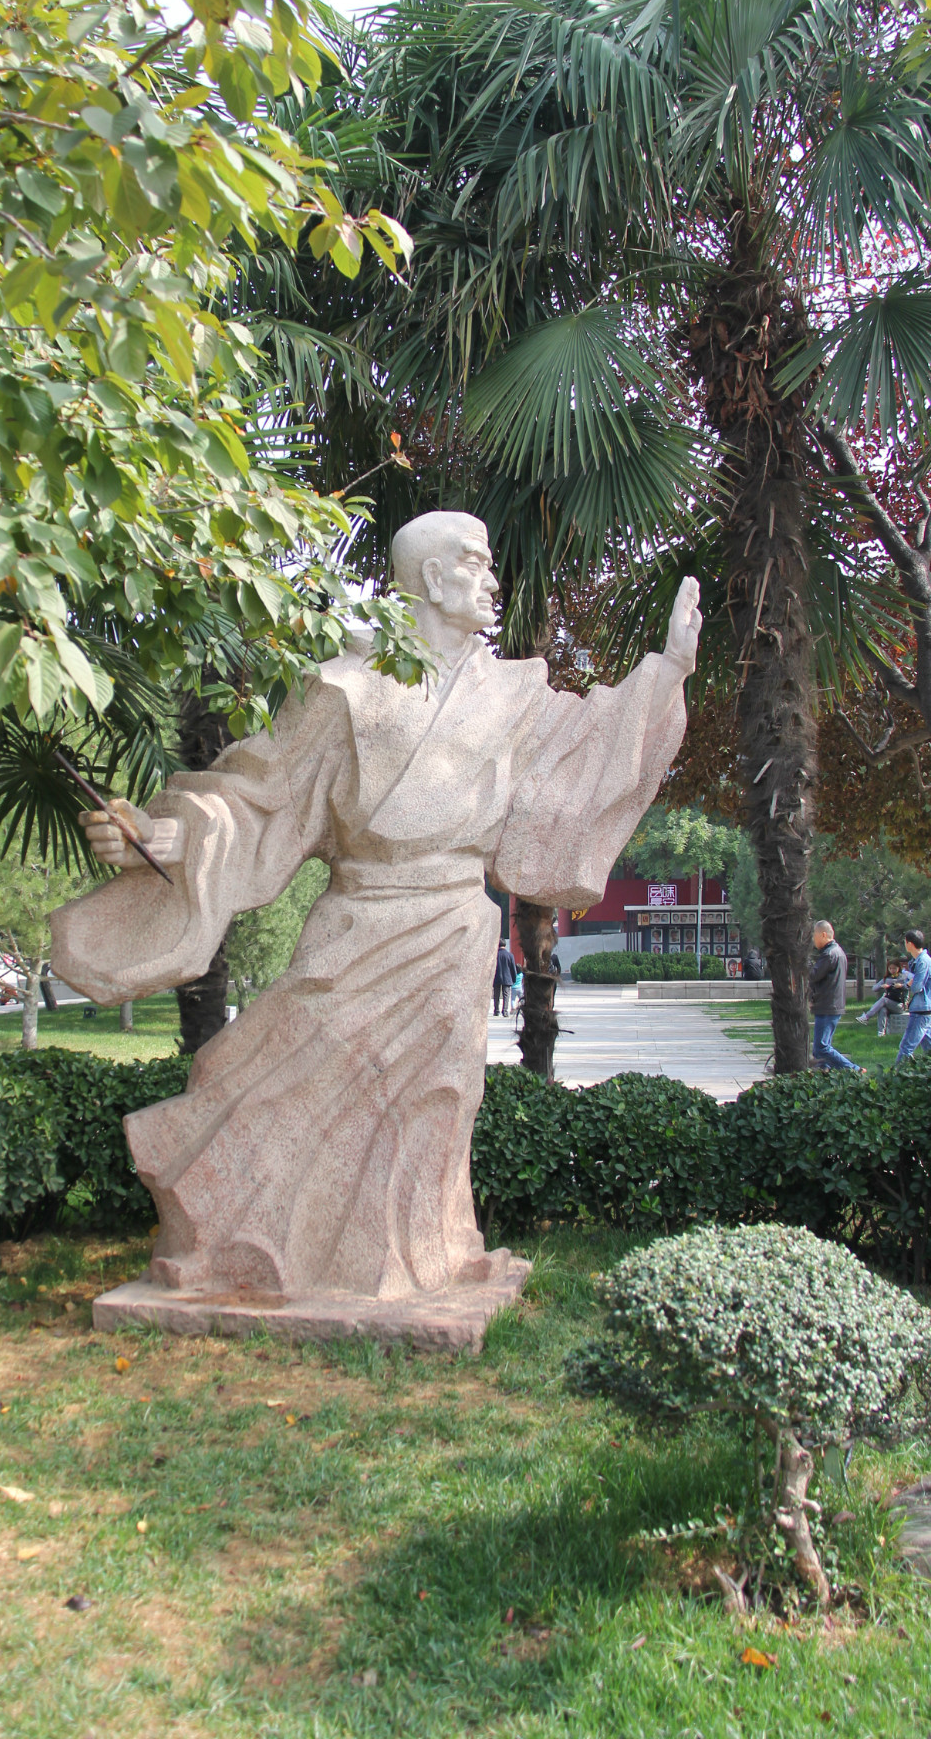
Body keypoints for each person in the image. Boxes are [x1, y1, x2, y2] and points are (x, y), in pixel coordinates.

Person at [54, 515, 699, 1302]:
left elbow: (593, 749)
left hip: (452, 928)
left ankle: (424, 1255)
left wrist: (666, 672)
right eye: (475, 563)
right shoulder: (345, 690)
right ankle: (242, 1247)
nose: (493, 581)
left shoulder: (512, 696)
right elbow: (260, 799)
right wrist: (166, 836)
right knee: (279, 1077)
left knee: (435, 1102)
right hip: (358, 925)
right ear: (430, 578)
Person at [809, 921, 863, 1073]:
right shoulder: (837, 952)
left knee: (821, 1047)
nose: (813, 940)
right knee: (821, 1048)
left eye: (814, 936)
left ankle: (853, 1069)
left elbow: (812, 975)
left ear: (823, 935)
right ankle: (824, 1072)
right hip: (831, 1003)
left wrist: (804, 963)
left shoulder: (829, 954)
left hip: (827, 1004)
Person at [896, 930, 931, 1062]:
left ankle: (897, 1073)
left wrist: (910, 982)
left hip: (921, 1010)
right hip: (923, 1009)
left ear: (910, 944)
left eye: (905, 942)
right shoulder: (917, 961)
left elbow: (916, 987)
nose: (905, 945)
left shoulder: (923, 962)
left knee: (906, 1047)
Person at [859, 959, 910, 1036]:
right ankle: (881, 1033)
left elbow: (910, 987)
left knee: (884, 1000)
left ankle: (867, 1016)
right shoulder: (886, 979)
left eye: (894, 968)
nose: (892, 970)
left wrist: (901, 986)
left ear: (898, 968)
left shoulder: (903, 978)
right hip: (889, 1003)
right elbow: (874, 988)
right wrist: (881, 986)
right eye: (890, 968)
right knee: (882, 1009)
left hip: (899, 1005)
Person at [493, 939, 518, 1016]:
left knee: (496, 995)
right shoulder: (510, 955)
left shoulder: (495, 955)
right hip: (507, 977)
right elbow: (513, 968)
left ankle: (496, 1010)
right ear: (505, 945)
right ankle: (505, 1011)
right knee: (506, 995)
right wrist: (514, 979)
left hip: (496, 977)